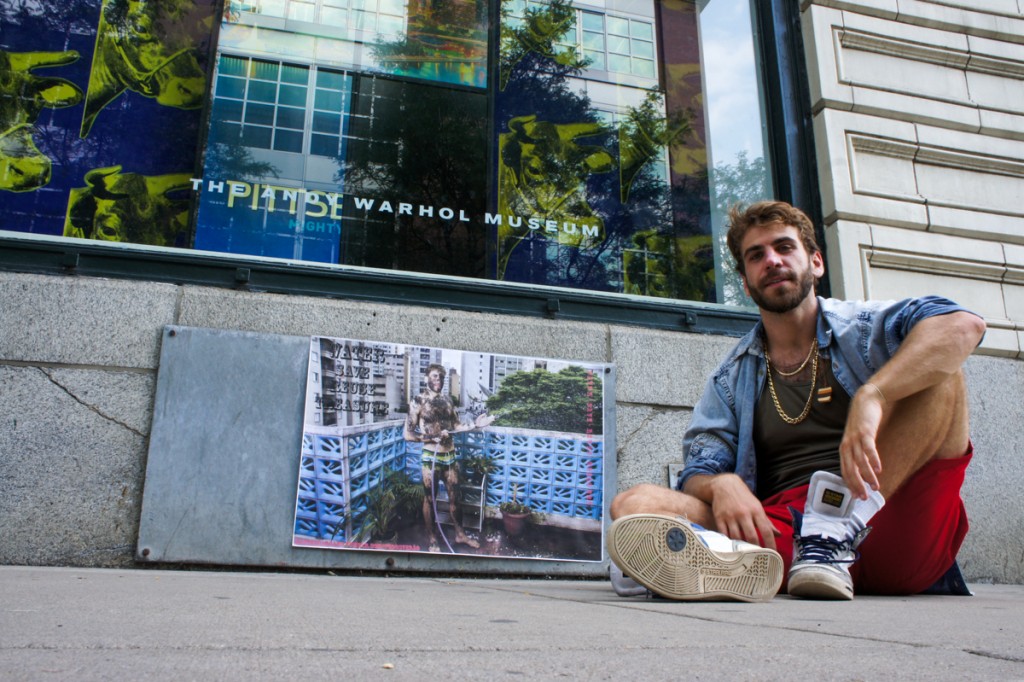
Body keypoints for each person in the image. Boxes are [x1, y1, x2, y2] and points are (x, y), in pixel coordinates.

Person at [607, 200, 986, 601]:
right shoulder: (730, 377)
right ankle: (735, 563)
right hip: (792, 534)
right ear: (745, 278)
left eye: (784, 247)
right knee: (634, 503)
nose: (771, 260)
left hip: (889, 515)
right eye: (757, 256)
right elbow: (698, 470)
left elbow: (963, 325)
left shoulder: (860, 328)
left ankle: (823, 539)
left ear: (816, 263)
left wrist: (873, 395)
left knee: (940, 370)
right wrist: (722, 485)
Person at [404, 363, 495, 552]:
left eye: (442, 377)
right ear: (426, 378)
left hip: (450, 456)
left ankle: (460, 535)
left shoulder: (447, 401)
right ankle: (432, 539)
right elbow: (408, 434)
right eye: (435, 376)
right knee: (430, 499)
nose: (439, 380)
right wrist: (431, 437)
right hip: (431, 456)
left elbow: (457, 426)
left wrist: (476, 425)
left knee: (455, 497)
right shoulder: (418, 401)